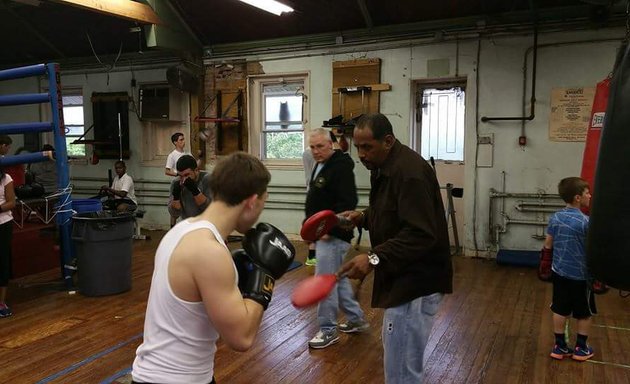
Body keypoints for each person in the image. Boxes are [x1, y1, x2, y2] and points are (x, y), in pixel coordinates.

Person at [132, 152, 296, 383]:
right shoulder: (209, 252)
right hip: (175, 379)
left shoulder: (181, 231)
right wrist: (263, 279)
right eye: (263, 203)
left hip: (168, 375)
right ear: (251, 201)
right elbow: (241, 338)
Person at [338, 113, 452, 383]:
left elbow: (421, 234)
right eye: (357, 147)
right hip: (405, 279)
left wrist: (374, 258)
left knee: (401, 372)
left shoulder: (408, 173)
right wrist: (364, 217)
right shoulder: (386, 166)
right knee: (400, 365)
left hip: (415, 285)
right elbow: (396, 212)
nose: (361, 154)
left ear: (387, 141)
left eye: (367, 147)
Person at [304, 128, 368, 349]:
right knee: (336, 280)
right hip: (322, 234)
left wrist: (328, 230)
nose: (316, 151)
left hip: (333, 236)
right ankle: (357, 320)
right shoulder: (319, 164)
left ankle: (328, 330)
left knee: (325, 283)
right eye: (312, 147)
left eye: (320, 146)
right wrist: (310, 231)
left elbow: (347, 202)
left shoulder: (340, 168)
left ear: (331, 144)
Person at [545, 177, 595, 362]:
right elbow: (593, 250)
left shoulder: (555, 217)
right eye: (586, 193)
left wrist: (545, 266)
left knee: (560, 309)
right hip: (581, 277)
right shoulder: (587, 222)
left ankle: (559, 346)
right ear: (577, 198)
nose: (590, 195)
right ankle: (581, 349)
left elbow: (548, 244)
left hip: (559, 272)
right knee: (584, 312)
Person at [302, 132, 340, 267]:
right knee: (325, 226)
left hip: (311, 191)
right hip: (324, 193)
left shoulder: (307, 152)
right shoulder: (330, 154)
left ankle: (312, 256)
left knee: (314, 226)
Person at [0, 135, 16, 318]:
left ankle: (1, 302)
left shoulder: (6, 178)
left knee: (2, 262)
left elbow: (12, 202)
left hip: (3, 223)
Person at [170, 154, 212, 220]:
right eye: (180, 176)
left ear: (196, 170)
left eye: (186, 175)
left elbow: (210, 209)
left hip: (206, 224)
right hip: (188, 225)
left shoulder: (208, 179)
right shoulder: (176, 182)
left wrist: (195, 190)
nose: (183, 179)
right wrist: (176, 197)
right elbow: (174, 214)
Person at [166, 132, 187, 227]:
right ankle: (172, 230)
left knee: (186, 206)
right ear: (175, 142)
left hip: (186, 184)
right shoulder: (172, 155)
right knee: (174, 208)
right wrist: (179, 173)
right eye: (181, 140)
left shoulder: (187, 154)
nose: (183, 141)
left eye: (183, 139)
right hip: (177, 183)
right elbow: (167, 171)